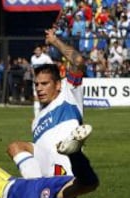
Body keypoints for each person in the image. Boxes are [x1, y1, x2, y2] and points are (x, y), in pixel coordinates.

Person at [7, 28, 88, 178]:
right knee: (14, 147)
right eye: (37, 84)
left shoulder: (68, 93)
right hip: (46, 176)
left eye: (45, 84)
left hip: (69, 171)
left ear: (58, 85)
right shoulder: (36, 121)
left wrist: (54, 41)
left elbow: (78, 61)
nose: (39, 88)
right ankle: (35, 188)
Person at [30, 44, 53, 117]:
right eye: (36, 50)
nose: (37, 52)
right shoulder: (33, 58)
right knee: (36, 97)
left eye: (39, 50)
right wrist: (34, 76)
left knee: (45, 98)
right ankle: (36, 117)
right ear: (34, 51)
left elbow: (51, 67)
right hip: (36, 81)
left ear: (41, 50)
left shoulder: (46, 58)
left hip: (44, 82)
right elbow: (32, 68)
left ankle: (47, 114)